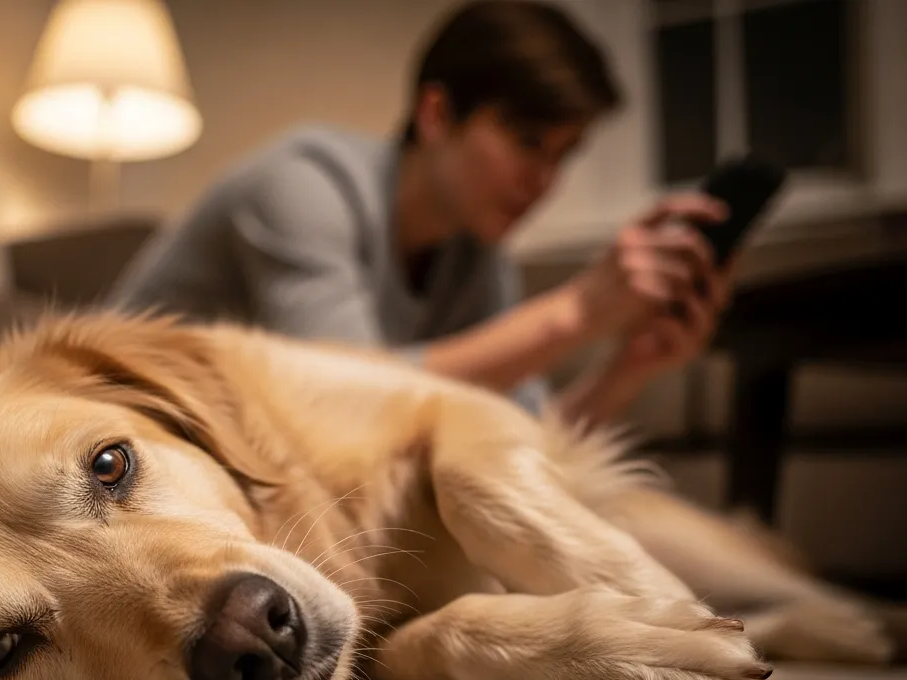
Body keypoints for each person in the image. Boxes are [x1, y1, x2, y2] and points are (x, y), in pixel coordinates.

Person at [109, 0, 736, 427]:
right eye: (527, 142)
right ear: (436, 114)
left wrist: (627, 370)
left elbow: (525, 440)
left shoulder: (473, 252)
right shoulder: (299, 184)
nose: (545, 181)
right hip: (110, 429)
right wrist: (577, 311)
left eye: (563, 155)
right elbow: (347, 397)